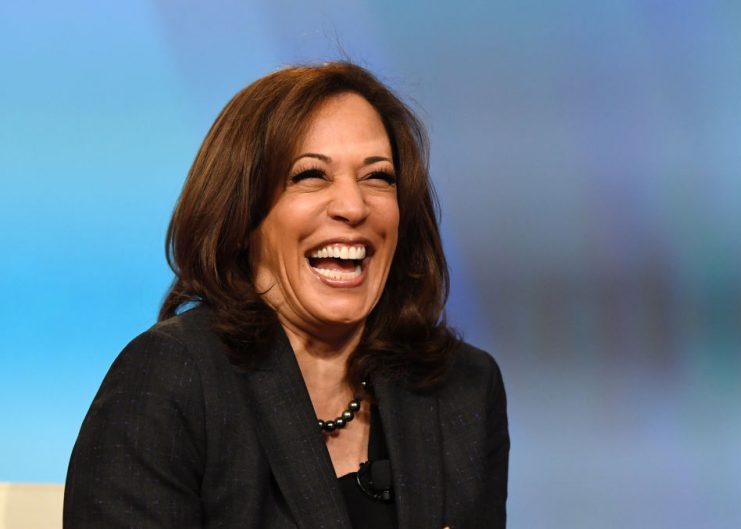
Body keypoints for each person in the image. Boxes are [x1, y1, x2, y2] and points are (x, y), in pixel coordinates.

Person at [63, 62, 509, 529]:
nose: (354, 207)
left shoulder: (463, 388)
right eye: (311, 175)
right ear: (241, 215)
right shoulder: (172, 379)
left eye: (378, 177)